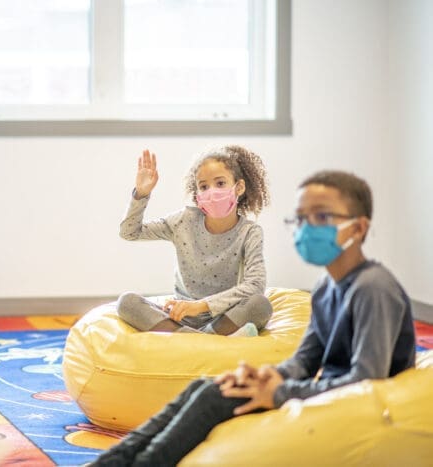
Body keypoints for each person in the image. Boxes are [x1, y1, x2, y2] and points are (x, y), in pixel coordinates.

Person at [92, 170, 416, 466]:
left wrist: (278, 394)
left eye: (321, 217)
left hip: (362, 408)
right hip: (328, 390)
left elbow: (366, 381)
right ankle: (114, 462)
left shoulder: (373, 288)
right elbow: (304, 361)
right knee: (208, 387)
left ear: (357, 228)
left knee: (210, 401)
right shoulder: (326, 288)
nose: (306, 229)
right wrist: (261, 377)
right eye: (300, 219)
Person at [117, 146, 272, 336]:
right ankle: (208, 339)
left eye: (221, 183)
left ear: (239, 187)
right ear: (197, 194)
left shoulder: (250, 232)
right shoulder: (183, 221)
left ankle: (187, 338)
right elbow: (130, 232)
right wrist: (141, 194)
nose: (212, 191)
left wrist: (200, 306)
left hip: (224, 316)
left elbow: (255, 284)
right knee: (127, 302)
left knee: (260, 305)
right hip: (177, 316)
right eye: (204, 186)